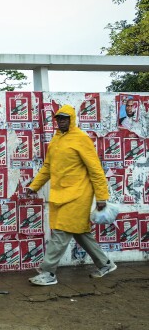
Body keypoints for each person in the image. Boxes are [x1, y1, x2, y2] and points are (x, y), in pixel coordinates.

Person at [26, 105, 116, 286]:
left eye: (65, 118)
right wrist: (33, 186)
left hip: (78, 195)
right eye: (59, 118)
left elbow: (96, 169)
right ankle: (105, 264)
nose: (61, 121)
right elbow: (47, 168)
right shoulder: (56, 140)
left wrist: (101, 197)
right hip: (60, 195)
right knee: (80, 232)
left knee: (61, 231)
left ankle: (48, 272)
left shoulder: (81, 139)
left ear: (72, 119)